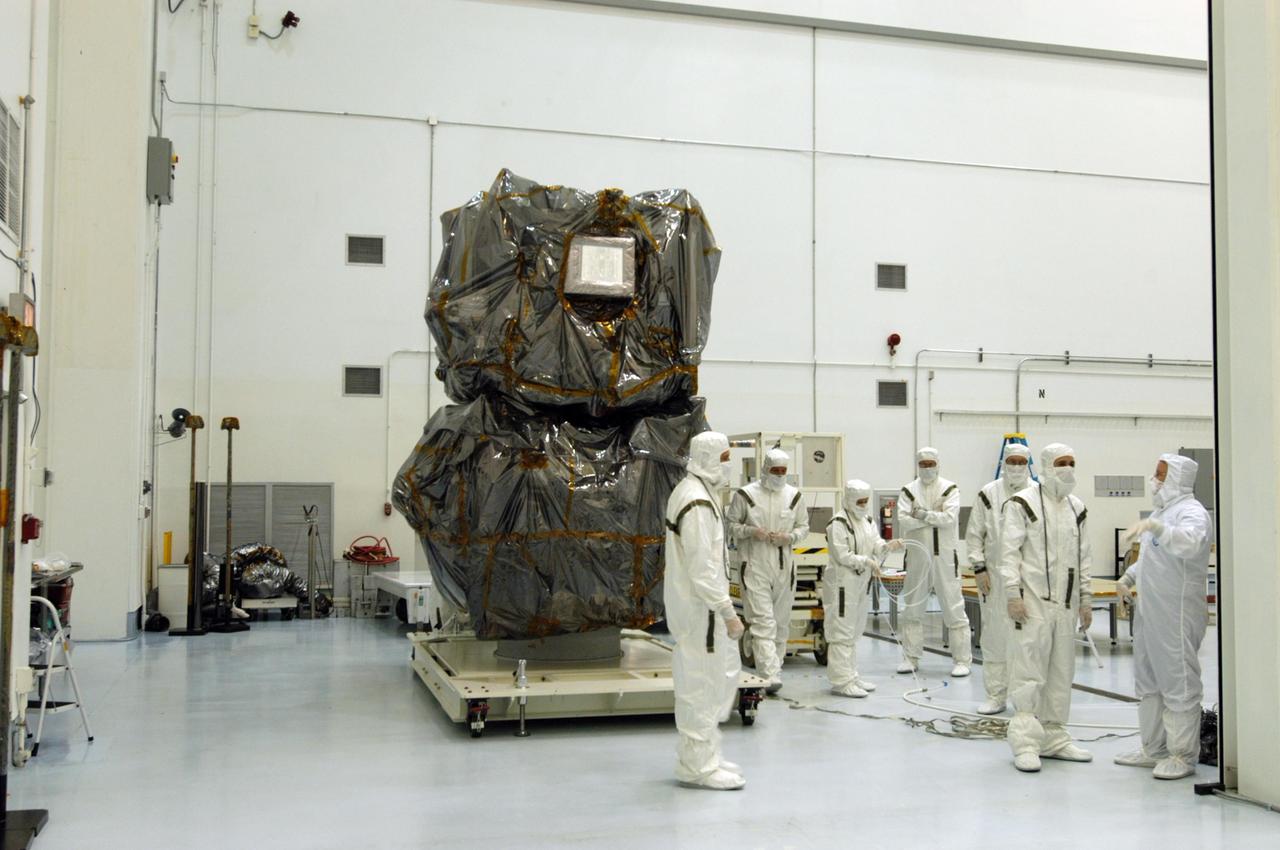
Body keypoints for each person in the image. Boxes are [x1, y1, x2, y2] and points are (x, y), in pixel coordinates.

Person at [1114, 454, 1212, 780]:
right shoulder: (1161, 512)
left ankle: (1182, 755)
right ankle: (1154, 749)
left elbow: (1190, 544)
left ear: (1177, 479)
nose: (1154, 480)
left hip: (1176, 612)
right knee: (1148, 681)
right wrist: (1128, 577)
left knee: (1177, 680)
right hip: (1150, 610)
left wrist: (1157, 527)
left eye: (1160, 475)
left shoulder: (1191, 512)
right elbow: (1152, 559)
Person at [999, 442, 1094, 772]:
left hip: (1065, 606)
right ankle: (1025, 742)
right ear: (1046, 466)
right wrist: (1012, 593)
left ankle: (1054, 737)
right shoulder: (1022, 503)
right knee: (1028, 672)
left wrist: (1086, 598)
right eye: (1061, 463)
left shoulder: (1077, 508)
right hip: (1031, 603)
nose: (1067, 468)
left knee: (1061, 672)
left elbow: (1084, 557)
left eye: (1071, 462)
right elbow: (1008, 552)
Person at [664, 431, 748, 791]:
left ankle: (705, 754)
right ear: (708, 459)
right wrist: (727, 611)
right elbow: (702, 569)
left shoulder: (700, 493)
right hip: (703, 611)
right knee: (699, 685)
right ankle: (697, 766)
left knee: (715, 681)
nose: (729, 465)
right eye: (724, 458)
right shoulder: (696, 502)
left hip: (704, 609)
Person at [727, 448, 809, 694]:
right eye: (775, 470)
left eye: (784, 471)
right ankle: (768, 674)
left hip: (784, 567)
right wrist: (752, 532)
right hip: (754, 565)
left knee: (781, 623)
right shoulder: (746, 495)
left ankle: (776, 667)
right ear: (765, 469)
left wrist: (790, 537)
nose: (780, 475)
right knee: (763, 622)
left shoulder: (794, 496)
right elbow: (731, 525)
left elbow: (803, 526)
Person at [965, 444, 1033, 715]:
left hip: (1028, 580)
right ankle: (996, 695)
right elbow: (974, 535)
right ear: (1004, 462)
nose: (1015, 466)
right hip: (993, 579)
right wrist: (979, 568)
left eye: (1020, 461)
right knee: (994, 637)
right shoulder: (988, 494)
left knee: (1027, 641)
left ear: (1028, 464)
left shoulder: (1038, 494)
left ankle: (1026, 700)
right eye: (1011, 461)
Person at [895, 447, 972, 676]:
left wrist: (921, 514)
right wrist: (932, 516)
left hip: (945, 557)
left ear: (938, 464)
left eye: (931, 464)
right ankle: (910, 657)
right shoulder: (908, 491)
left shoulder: (950, 488)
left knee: (953, 606)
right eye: (923, 464)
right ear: (918, 466)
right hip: (917, 557)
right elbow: (903, 520)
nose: (927, 468)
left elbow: (949, 518)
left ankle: (962, 660)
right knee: (912, 607)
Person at [824, 479, 904, 697]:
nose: (863, 505)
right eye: (859, 501)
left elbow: (875, 543)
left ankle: (851, 675)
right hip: (842, 585)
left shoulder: (868, 521)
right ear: (849, 500)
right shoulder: (838, 523)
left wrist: (887, 546)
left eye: (866, 501)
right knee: (842, 632)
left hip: (861, 584)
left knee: (854, 631)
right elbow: (842, 555)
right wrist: (866, 561)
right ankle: (841, 681)